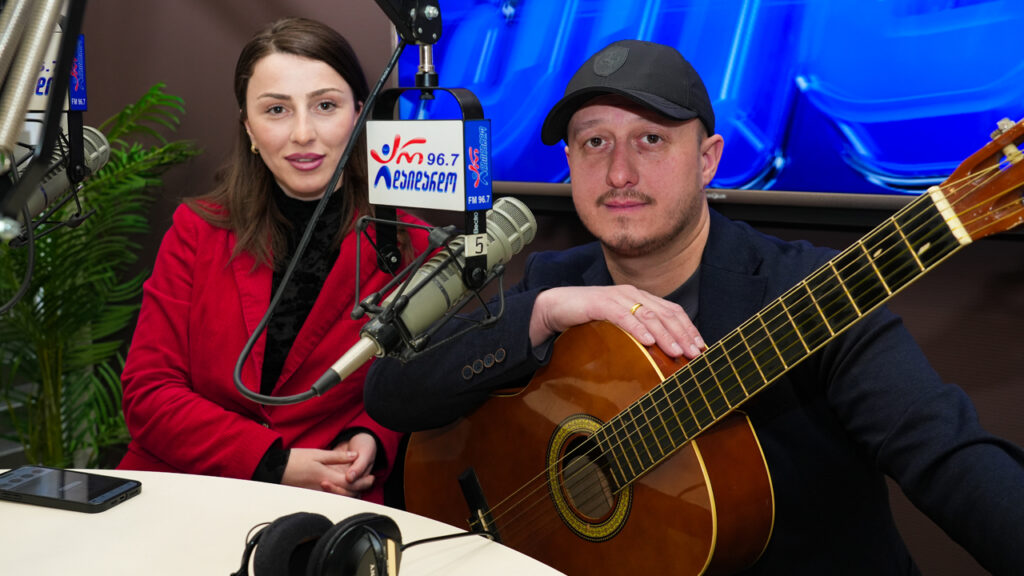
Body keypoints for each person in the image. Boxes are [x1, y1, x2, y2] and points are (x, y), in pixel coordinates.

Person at [364, 39, 1024, 572]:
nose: (619, 173)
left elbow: (948, 454)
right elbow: (393, 393)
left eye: (651, 139)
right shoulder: (556, 280)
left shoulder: (810, 289)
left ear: (708, 160)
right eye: (594, 142)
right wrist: (540, 313)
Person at [117, 17, 430, 505]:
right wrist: (272, 463)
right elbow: (149, 392)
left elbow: (414, 382)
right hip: (183, 488)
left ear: (359, 113)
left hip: (328, 498)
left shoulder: (411, 243)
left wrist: (370, 436)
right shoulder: (196, 230)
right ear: (248, 125)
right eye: (277, 110)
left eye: (325, 106)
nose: (303, 133)